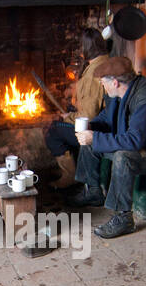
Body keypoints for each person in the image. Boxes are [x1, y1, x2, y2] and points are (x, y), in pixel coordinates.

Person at [67, 57, 146, 239]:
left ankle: (123, 218)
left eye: (103, 83)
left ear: (114, 82)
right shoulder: (121, 93)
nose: (102, 87)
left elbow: (134, 141)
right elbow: (107, 119)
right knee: (89, 143)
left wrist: (96, 138)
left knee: (123, 156)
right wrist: (90, 127)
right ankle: (93, 191)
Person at [45, 28, 112, 188]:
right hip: (102, 122)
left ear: (85, 48)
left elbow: (88, 115)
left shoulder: (93, 74)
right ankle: (73, 169)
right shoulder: (106, 61)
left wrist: (67, 117)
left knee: (52, 131)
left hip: (96, 128)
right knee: (61, 122)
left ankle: (69, 176)